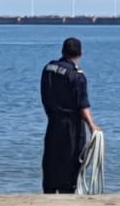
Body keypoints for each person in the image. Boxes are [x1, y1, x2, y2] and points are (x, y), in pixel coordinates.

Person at [40, 37, 100, 194]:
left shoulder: (48, 68)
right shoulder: (77, 75)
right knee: (71, 159)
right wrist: (92, 126)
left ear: (63, 51)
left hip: (52, 122)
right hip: (71, 126)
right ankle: (67, 189)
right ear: (80, 53)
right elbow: (82, 105)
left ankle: (50, 189)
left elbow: (44, 95)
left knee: (52, 159)